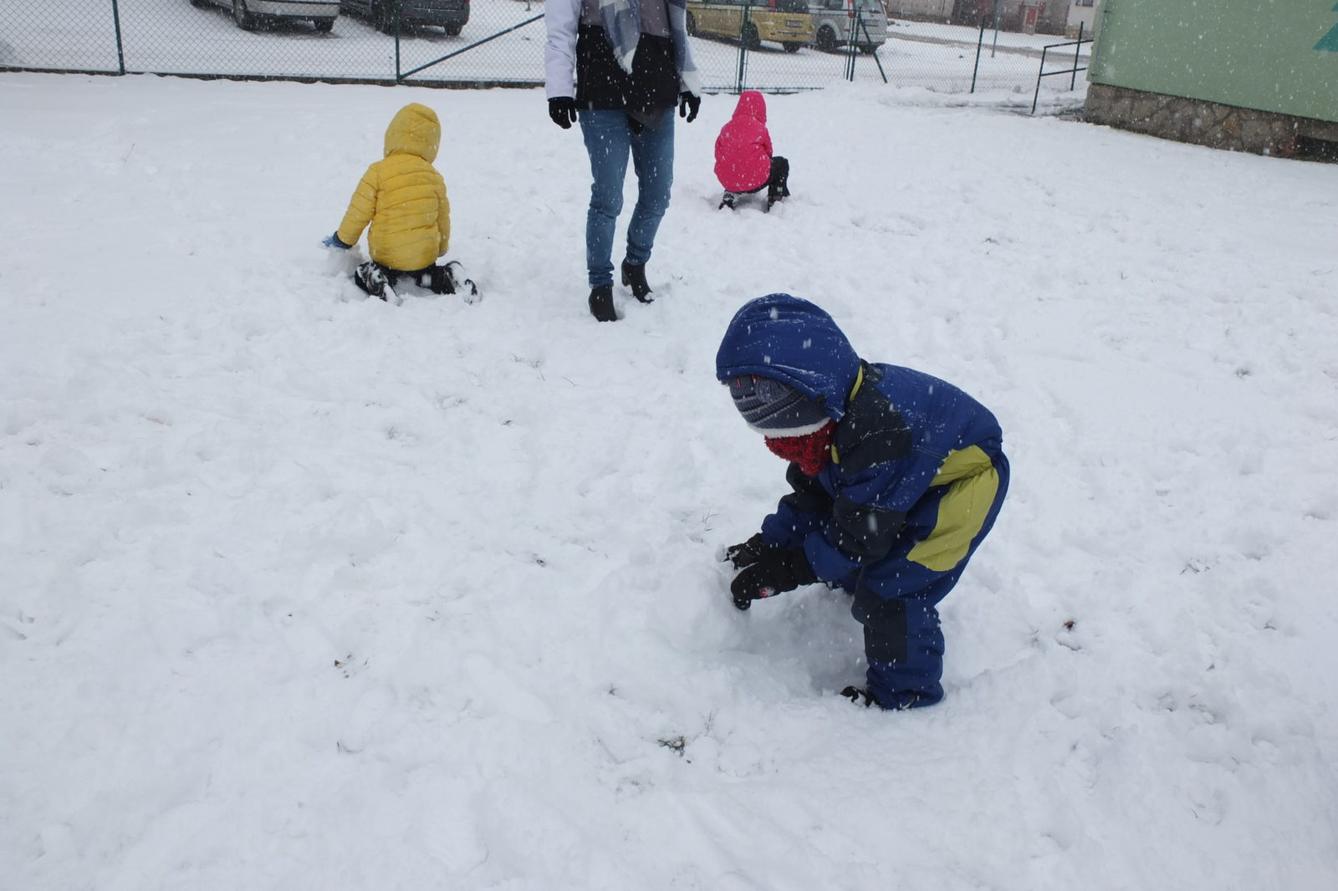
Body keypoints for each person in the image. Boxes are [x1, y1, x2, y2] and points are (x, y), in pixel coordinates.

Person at [715, 294, 1009, 710]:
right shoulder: (827, 424)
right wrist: (773, 543)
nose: (775, 438)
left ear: (809, 393)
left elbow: (858, 535)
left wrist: (791, 569)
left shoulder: (876, 435)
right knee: (860, 532)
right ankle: (857, 579)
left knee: (892, 587)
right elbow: (815, 497)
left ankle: (905, 693)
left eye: (766, 403)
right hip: (911, 473)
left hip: (964, 483)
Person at [545, 0, 703, 322]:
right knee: (608, 197)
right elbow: (560, 30)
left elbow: (674, 25)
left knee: (658, 195)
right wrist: (559, 89)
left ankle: (635, 263)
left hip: (656, 87)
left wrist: (688, 83)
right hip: (602, 88)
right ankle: (600, 284)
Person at [322, 103, 473, 303]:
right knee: (428, 274)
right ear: (431, 143)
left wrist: (342, 240)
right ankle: (447, 275)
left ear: (392, 135)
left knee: (362, 271)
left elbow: (358, 213)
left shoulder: (378, 171)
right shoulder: (434, 177)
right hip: (423, 258)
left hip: (387, 256)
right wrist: (440, 249)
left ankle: (379, 281)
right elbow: (443, 220)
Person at [713, 90, 790, 212]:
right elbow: (769, 152)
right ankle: (775, 197)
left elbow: (718, 152)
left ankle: (730, 193)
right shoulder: (760, 129)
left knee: (734, 166)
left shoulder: (727, 127)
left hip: (728, 178)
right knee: (782, 164)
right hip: (755, 179)